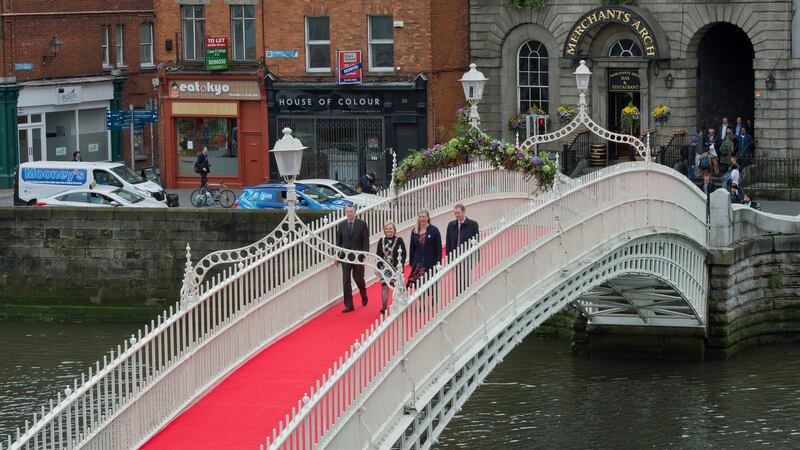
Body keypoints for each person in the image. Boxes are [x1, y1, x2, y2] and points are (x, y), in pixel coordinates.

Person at [335, 204, 370, 313]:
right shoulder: (342, 225)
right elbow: (338, 243)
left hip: (358, 257)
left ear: (355, 213)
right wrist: (337, 258)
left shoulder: (362, 224)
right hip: (345, 258)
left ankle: (363, 294)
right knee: (346, 281)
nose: (349, 213)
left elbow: (365, 241)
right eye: (347, 212)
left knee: (358, 279)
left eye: (351, 211)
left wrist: (364, 255)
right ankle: (349, 305)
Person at [445, 204, 480, 296]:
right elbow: (448, 242)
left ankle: (465, 294)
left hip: (467, 255)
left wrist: (476, 257)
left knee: (465, 276)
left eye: (458, 213)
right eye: (455, 213)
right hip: (455, 255)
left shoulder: (473, 224)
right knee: (458, 277)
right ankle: (458, 295)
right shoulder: (451, 225)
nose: (457, 215)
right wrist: (449, 258)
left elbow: (477, 242)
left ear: (464, 212)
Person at [375, 221, 406, 315]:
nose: (388, 230)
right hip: (385, 268)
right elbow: (378, 255)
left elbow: (404, 254)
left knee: (395, 286)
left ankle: (396, 304)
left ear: (394, 230)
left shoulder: (399, 240)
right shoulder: (381, 241)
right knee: (384, 286)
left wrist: (401, 267)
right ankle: (384, 306)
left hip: (396, 268)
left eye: (390, 228)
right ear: (384, 230)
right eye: (386, 229)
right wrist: (377, 268)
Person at [407, 210, 442, 288]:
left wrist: (438, 262)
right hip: (418, 263)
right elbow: (412, 248)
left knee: (431, 284)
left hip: (430, 262)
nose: (422, 219)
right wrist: (412, 262)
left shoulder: (434, 230)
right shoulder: (414, 231)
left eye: (424, 217)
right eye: (420, 217)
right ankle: (421, 300)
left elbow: (438, 248)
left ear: (428, 218)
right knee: (418, 285)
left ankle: (433, 299)